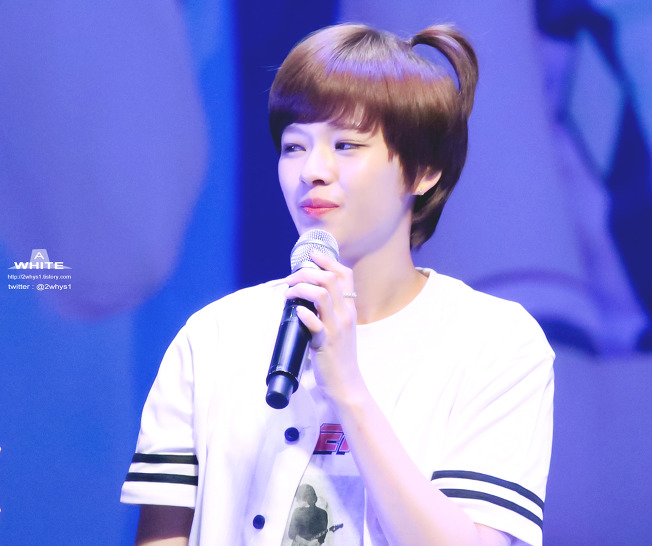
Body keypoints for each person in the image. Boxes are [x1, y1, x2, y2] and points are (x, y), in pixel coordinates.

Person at [121, 23, 555, 546]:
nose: (313, 171)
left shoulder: (494, 341)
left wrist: (348, 388)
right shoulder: (213, 336)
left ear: (425, 170)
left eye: (346, 144)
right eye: (294, 146)